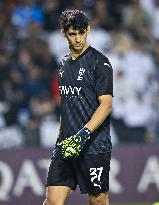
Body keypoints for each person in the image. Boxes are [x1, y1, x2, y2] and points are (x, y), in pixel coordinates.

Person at [43, 10, 113, 205]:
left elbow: (106, 105)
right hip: (66, 145)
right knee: (52, 201)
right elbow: (67, 106)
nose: (78, 39)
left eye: (81, 33)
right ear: (63, 33)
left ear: (88, 31)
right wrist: (62, 138)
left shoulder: (100, 63)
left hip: (94, 145)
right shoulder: (63, 64)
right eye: (72, 34)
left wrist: (83, 135)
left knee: (98, 201)